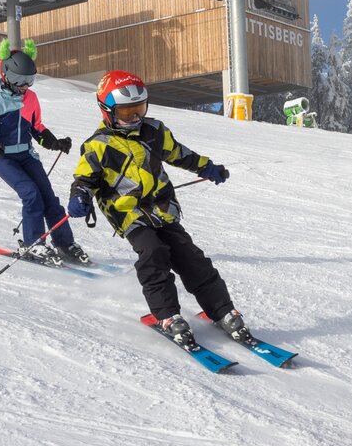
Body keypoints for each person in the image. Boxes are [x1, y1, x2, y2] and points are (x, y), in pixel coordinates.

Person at [66, 71, 247, 347]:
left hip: (162, 207)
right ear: (107, 111)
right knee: (153, 253)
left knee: (190, 257)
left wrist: (208, 168)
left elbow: (180, 154)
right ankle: (167, 315)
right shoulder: (98, 145)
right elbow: (84, 178)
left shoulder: (154, 131)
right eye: (126, 112)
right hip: (128, 213)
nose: (134, 118)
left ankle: (222, 310)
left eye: (139, 109)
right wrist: (80, 195)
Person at [0, 39, 91, 267]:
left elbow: (36, 128)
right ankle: (34, 243)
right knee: (31, 194)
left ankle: (65, 244)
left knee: (49, 198)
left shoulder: (31, 98)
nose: (25, 86)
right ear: (6, 75)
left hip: (27, 155)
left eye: (29, 80)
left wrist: (55, 143)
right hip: (3, 157)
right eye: (19, 80)